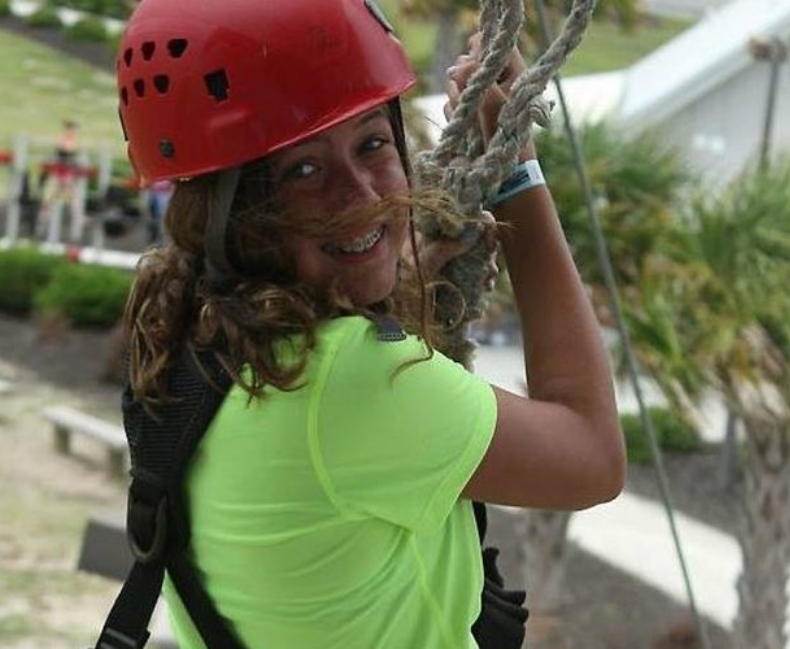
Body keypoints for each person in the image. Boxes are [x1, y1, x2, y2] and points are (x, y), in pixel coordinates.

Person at [116, 0, 625, 647]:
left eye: (373, 144)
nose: (361, 194)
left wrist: (392, 280)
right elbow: (592, 456)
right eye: (304, 170)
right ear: (236, 209)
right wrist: (516, 174)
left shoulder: (188, 328)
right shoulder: (350, 383)